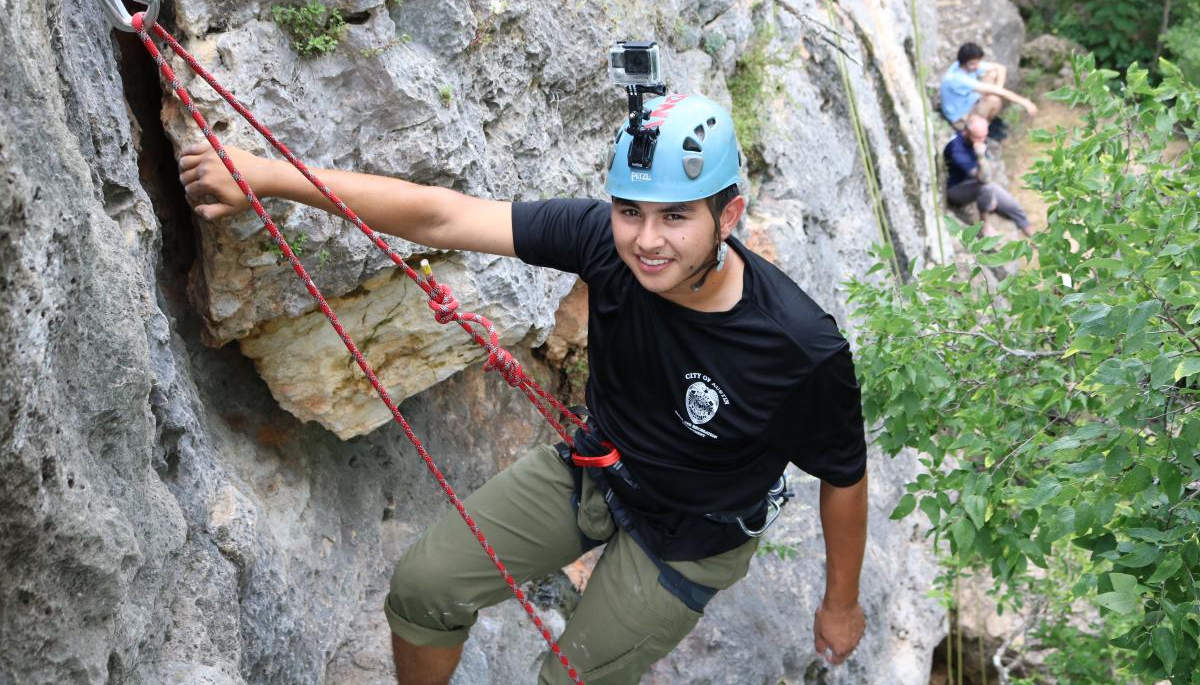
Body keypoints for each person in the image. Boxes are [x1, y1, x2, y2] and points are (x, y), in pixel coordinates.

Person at [177, 92, 869, 685]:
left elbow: (843, 475)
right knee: (423, 589)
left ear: (730, 214)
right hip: (599, 469)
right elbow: (442, 217)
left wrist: (840, 602)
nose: (647, 241)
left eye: (676, 217)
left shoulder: (799, 348)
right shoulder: (604, 242)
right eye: (630, 211)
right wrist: (268, 176)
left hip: (691, 536)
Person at [945, 114, 1033, 237]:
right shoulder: (956, 149)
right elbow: (984, 179)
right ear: (967, 132)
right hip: (956, 188)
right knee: (986, 188)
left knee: (1014, 207)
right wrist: (980, 155)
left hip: (975, 182)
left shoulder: (977, 140)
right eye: (978, 138)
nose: (982, 140)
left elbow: (987, 172)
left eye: (984, 136)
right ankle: (984, 225)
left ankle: (1034, 238)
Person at [940, 42, 1038, 130]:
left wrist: (998, 89)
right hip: (959, 117)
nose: (977, 66)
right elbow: (1000, 92)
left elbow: (1001, 68)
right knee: (994, 100)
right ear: (965, 63)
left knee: (993, 73)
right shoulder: (958, 79)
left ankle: (985, 119)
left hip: (968, 101)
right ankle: (983, 127)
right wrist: (1025, 102)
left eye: (978, 62)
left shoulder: (963, 65)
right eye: (973, 64)